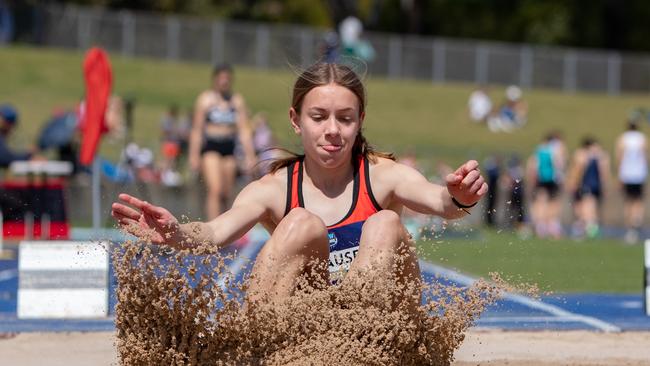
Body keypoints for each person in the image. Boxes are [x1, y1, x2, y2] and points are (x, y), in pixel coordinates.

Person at [112, 63, 487, 307]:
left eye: (345, 119)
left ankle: (354, 336)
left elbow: (439, 200)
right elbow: (214, 232)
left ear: (360, 121)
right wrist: (177, 233)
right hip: (310, 324)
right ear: (296, 120)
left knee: (385, 223)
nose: (332, 131)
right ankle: (256, 344)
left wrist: (459, 195)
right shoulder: (274, 189)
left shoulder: (382, 174)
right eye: (319, 117)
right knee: (300, 223)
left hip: (381, 326)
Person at [189, 64, 257, 220]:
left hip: (229, 147)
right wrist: (193, 155)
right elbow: (197, 130)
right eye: (221, 78)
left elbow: (244, 130)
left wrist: (250, 155)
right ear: (215, 80)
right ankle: (213, 230)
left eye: (227, 79)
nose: (224, 82)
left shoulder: (236, 101)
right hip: (211, 147)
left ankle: (226, 229)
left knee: (227, 192)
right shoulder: (205, 100)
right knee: (216, 189)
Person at [566, 137, 611, 239]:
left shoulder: (582, 155)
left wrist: (573, 182)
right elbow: (604, 172)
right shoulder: (600, 155)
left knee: (587, 207)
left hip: (587, 184)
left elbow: (578, 170)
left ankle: (589, 228)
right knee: (588, 206)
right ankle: (587, 228)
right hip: (591, 185)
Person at [616, 121, 647, 244]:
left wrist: (619, 173)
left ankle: (629, 228)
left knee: (628, 201)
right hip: (639, 174)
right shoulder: (642, 139)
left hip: (627, 174)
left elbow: (620, 156)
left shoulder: (622, 139)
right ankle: (637, 221)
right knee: (638, 200)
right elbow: (646, 156)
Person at [527, 133, 564, 239]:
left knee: (541, 201)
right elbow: (559, 164)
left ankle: (541, 226)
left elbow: (533, 165)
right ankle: (552, 225)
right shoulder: (555, 149)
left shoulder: (539, 149)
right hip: (552, 179)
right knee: (553, 202)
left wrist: (532, 179)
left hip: (541, 179)